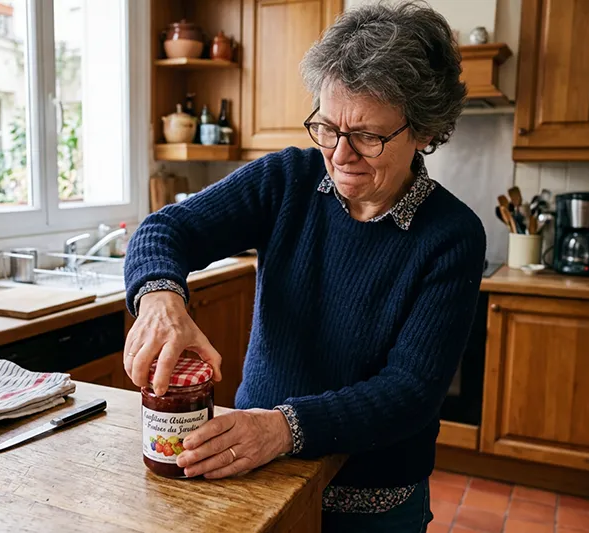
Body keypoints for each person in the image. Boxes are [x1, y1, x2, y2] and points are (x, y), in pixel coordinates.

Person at [123, 1, 485, 530]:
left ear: (424, 132)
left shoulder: (452, 235)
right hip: (253, 477)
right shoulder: (285, 181)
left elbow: (409, 391)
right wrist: (160, 300)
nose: (339, 153)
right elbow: (164, 229)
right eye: (327, 126)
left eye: (367, 136)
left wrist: (283, 428)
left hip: (371, 502)